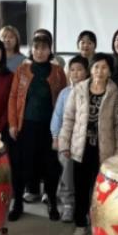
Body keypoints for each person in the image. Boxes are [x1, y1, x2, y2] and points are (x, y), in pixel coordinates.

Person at [58, 53, 118, 235]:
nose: (99, 71)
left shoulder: (115, 92)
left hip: (104, 148)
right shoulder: (79, 89)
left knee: (100, 189)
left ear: (109, 71)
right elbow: (69, 118)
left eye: (104, 67)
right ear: (90, 69)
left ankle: (98, 225)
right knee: (80, 187)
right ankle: (80, 223)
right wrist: (64, 143)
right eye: (96, 67)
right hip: (81, 147)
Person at [8, 34, 67, 222]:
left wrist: (61, 129)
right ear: (31, 50)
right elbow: (13, 97)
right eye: (36, 48)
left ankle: (51, 201)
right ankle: (18, 203)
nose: (39, 52)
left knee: (50, 166)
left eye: (44, 48)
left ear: (50, 50)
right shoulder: (22, 70)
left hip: (50, 128)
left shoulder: (58, 72)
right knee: (22, 166)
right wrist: (13, 123)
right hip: (26, 126)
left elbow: (64, 100)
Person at [51, 55, 89, 223]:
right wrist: (56, 137)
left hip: (86, 141)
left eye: (79, 69)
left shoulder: (92, 91)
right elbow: (57, 116)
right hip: (66, 139)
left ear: (87, 72)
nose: (75, 73)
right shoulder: (65, 93)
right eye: (72, 70)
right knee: (66, 168)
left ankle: (85, 206)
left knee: (86, 174)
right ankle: (68, 204)